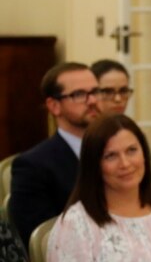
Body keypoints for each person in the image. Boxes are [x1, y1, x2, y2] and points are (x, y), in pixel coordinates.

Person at [47, 114, 151, 261]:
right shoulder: (77, 225)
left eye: (131, 150)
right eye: (111, 156)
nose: (125, 164)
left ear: (144, 153)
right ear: (94, 165)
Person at [10, 62, 100, 247]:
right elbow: (41, 239)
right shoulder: (32, 166)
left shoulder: (117, 152)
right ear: (54, 106)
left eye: (95, 92)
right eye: (79, 94)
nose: (92, 101)